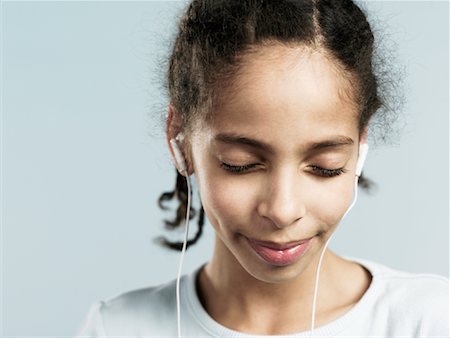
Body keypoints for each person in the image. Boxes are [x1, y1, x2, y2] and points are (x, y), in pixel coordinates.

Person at [76, 0, 449, 337]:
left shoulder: (428, 321)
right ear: (180, 140)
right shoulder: (117, 328)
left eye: (325, 167)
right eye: (241, 165)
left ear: (360, 148)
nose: (283, 211)